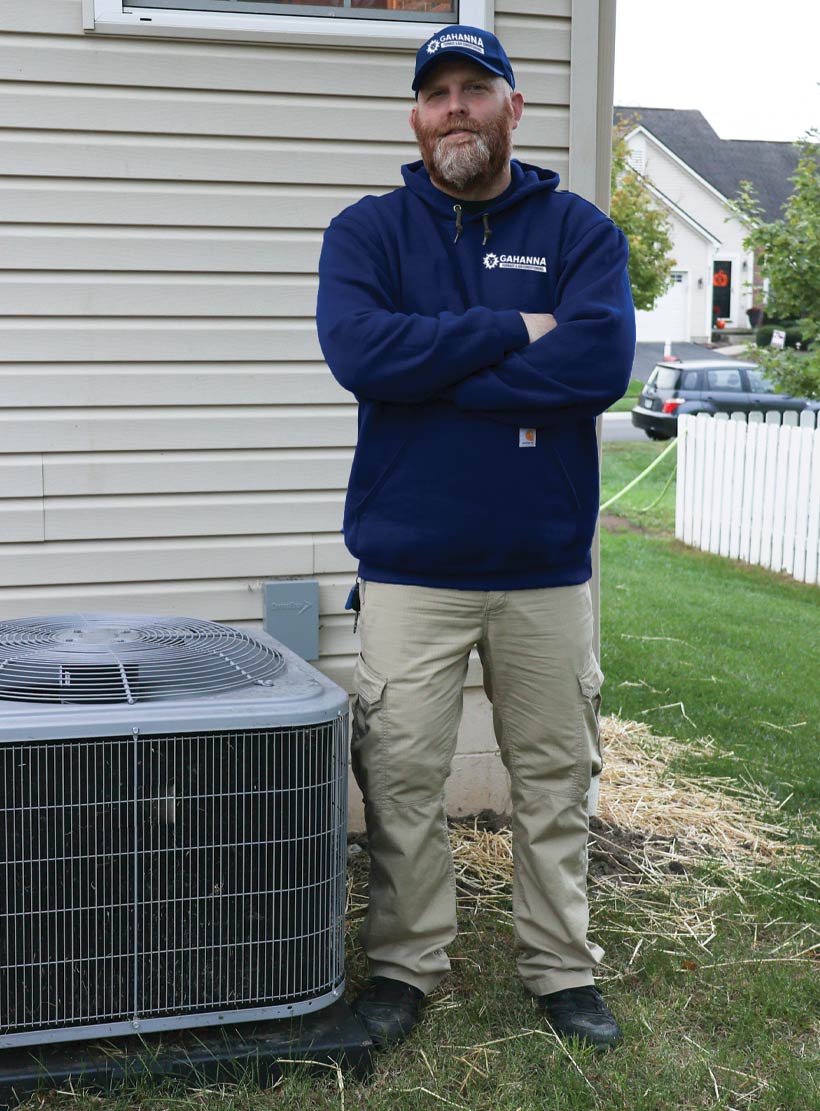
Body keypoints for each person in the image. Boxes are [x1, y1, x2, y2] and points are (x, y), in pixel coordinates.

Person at [315, 25, 635, 1052]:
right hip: (410, 567)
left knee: (554, 779)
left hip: (544, 568)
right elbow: (362, 353)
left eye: (475, 89)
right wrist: (514, 327)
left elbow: (594, 368)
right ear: (416, 116)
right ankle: (406, 967)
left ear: (512, 109)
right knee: (401, 778)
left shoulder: (576, 230)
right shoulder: (367, 232)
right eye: (437, 92)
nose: (455, 106)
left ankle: (560, 970)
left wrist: (433, 370)